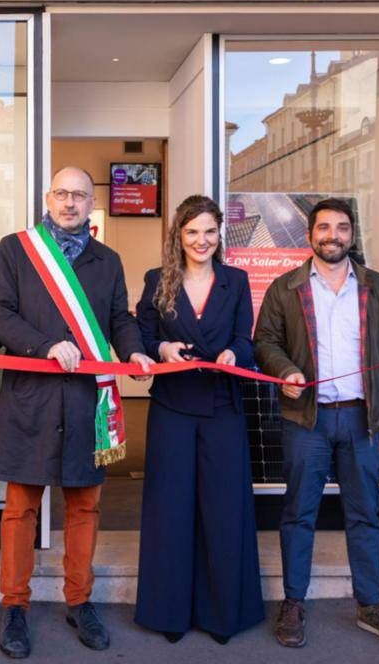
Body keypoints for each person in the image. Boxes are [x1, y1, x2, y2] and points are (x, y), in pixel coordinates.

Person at [0, 166, 155, 659]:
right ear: (48, 197)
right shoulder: (16, 250)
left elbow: (119, 318)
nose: (70, 202)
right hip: (31, 400)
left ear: (90, 202)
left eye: (80, 195)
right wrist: (44, 345)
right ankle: (15, 606)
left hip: (86, 402)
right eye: (62, 193)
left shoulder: (108, 260)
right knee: (20, 509)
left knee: (84, 507)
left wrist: (135, 351)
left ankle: (79, 600)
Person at [254, 198, 379, 650]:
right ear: (309, 235)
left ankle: (370, 605)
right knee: (298, 514)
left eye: (342, 228)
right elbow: (264, 342)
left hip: (364, 420)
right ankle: (293, 602)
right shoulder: (285, 288)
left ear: (351, 235)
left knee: (365, 515)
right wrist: (285, 370)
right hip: (307, 420)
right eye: (323, 227)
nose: (333, 236)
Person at [133, 195, 264, 644]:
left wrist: (234, 354)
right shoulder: (157, 280)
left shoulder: (236, 280)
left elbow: (245, 339)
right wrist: (161, 349)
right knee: (170, 511)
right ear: (179, 235)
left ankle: (221, 615)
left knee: (224, 511)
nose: (201, 240)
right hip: (172, 408)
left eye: (209, 231)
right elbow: (143, 336)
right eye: (192, 232)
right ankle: (169, 614)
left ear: (219, 233)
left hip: (222, 408)